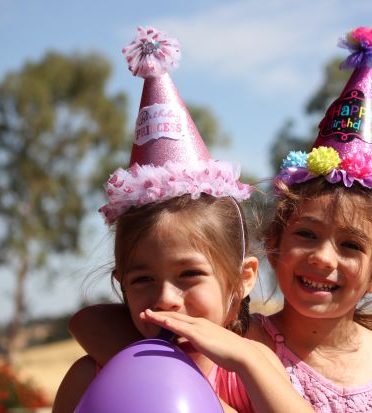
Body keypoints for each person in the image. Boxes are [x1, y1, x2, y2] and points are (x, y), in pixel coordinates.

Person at [68, 27, 372, 412]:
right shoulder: (241, 341)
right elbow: (92, 322)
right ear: (275, 244)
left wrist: (248, 361)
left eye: (351, 245)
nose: (323, 258)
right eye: (306, 234)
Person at [53, 27, 314, 413]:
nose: (165, 300)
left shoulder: (251, 375)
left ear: (242, 279)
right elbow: (86, 320)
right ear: (120, 285)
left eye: (189, 275)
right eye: (141, 279)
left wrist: (248, 360)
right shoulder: (92, 374)